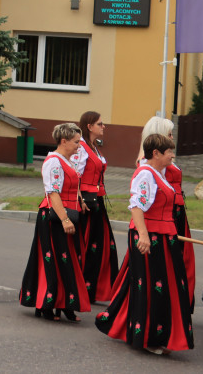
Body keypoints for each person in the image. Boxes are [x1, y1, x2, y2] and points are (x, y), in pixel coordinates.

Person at [96, 133, 194, 355]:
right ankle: (149, 338)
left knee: (159, 286)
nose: (173, 155)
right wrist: (143, 236)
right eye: (169, 151)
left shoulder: (158, 174)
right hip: (151, 236)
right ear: (156, 153)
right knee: (152, 287)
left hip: (163, 236)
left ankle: (127, 325)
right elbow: (136, 206)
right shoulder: (145, 175)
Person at [19, 123, 91, 320]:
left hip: (69, 213)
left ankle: (66, 303)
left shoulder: (68, 161)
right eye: (76, 142)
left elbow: (72, 186)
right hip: (55, 215)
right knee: (52, 260)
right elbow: (53, 193)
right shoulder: (54, 162)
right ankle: (47, 303)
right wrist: (65, 219)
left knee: (69, 259)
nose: (79, 146)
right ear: (63, 141)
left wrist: (80, 202)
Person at [139, 116, 195, 311]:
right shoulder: (149, 164)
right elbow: (140, 201)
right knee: (170, 261)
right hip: (167, 213)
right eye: (169, 133)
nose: (172, 137)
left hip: (177, 210)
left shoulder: (166, 157)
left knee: (182, 259)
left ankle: (180, 302)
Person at [71, 110, 118, 303]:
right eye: (100, 123)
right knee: (86, 246)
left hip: (96, 201)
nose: (103, 126)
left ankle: (93, 289)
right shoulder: (81, 147)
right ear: (89, 126)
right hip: (86, 203)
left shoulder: (93, 147)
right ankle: (83, 288)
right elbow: (74, 176)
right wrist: (79, 199)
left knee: (102, 247)